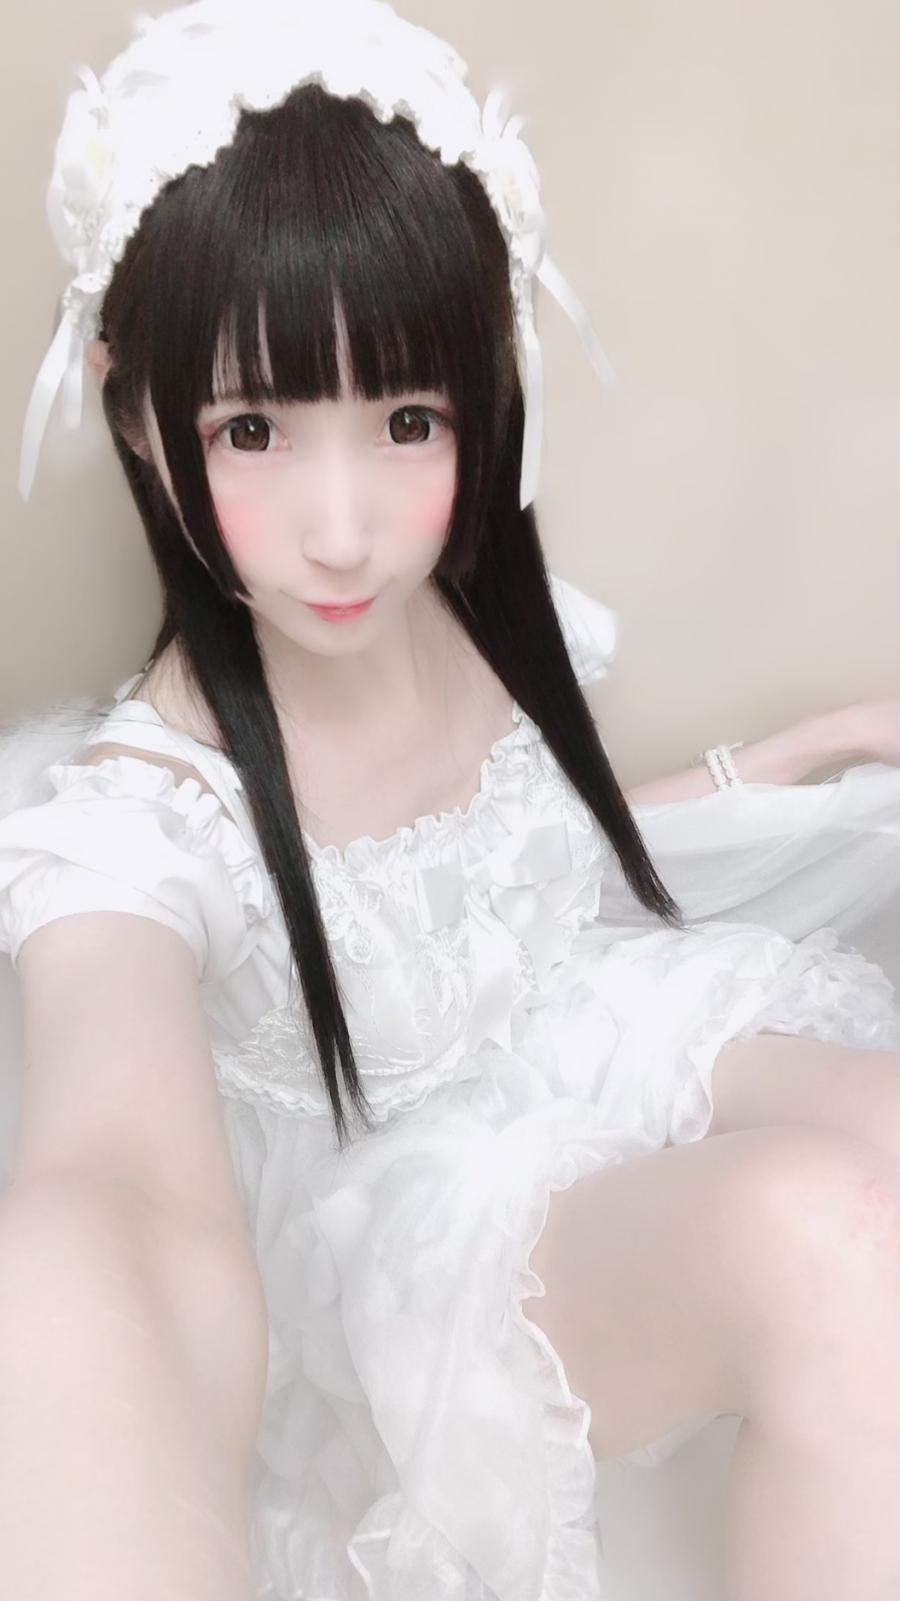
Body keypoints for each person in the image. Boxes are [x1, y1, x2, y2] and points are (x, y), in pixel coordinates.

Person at [1, 2, 900, 1597]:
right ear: (137, 412)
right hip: (400, 1263)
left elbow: (497, 851)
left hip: (574, 1040)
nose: (345, 530)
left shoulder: (451, 601)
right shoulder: (140, 826)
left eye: (408, 420)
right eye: (255, 429)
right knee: (827, 1234)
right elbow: (116, 1195)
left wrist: (781, 754)